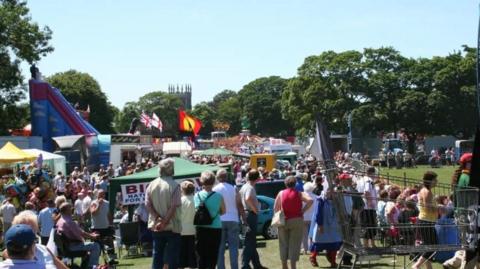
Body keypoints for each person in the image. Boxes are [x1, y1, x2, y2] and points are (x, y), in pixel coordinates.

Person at [145, 158, 182, 269]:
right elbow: (174, 206)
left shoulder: (151, 185)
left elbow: (148, 204)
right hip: (172, 226)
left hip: (157, 226)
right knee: (173, 258)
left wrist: (158, 219)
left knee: (157, 256)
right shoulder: (175, 185)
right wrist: (164, 221)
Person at [274, 176, 313, 269]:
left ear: (285, 183)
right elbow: (310, 201)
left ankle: (284, 266)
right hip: (296, 219)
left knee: (283, 243)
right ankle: (293, 267)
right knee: (294, 244)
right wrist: (303, 211)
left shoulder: (281, 193)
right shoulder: (299, 193)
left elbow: (275, 208)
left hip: (283, 220)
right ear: (295, 184)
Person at [213, 169, 246, 269]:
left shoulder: (215, 189)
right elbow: (240, 205)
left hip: (220, 220)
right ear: (226, 177)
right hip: (233, 219)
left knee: (220, 248)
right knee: (233, 247)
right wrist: (244, 218)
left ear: (217, 178)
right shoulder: (234, 188)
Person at [194, 170, 225, 269]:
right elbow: (224, 211)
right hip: (215, 228)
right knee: (213, 255)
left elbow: (195, 211)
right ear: (213, 181)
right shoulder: (219, 196)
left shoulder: (197, 196)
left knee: (201, 255)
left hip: (200, 228)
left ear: (202, 181)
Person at [56, 202, 101, 269]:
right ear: (66, 210)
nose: (72, 209)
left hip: (67, 247)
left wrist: (90, 234)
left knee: (89, 248)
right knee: (96, 245)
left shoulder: (59, 221)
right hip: (73, 246)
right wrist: (92, 236)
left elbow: (79, 232)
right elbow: (81, 233)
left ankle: (86, 265)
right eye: (70, 208)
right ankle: (92, 266)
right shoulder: (68, 221)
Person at [239, 169, 268, 269]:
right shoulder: (250, 187)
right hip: (250, 214)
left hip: (246, 214)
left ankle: (257, 264)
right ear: (257, 178)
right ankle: (245, 265)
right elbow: (247, 198)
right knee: (249, 241)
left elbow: (239, 199)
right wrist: (255, 209)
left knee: (251, 241)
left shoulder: (244, 186)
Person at [412, 171, 438, 269]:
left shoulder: (425, 190)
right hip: (426, 221)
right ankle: (416, 266)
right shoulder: (427, 192)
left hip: (426, 221)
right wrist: (439, 208)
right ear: (430, 181)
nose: (437, 182)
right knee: (433, 246)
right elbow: (428, 208)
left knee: (429, 245)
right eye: (435, 180)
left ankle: (428, 268)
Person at [90, 190, 117, 265]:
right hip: (96, 228)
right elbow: (93, 213)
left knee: (110, 245)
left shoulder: (107, 203)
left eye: (103, 195)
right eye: (100, 195)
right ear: (97, 195)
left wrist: (111, 225)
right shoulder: (93, 203)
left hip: (106, 227)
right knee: (97, 246)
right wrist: (99, 204)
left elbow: (109, 215)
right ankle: (95, 262)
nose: (101, 196)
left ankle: (112, 260)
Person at [356, 166, 378, 248]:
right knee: (370, 225)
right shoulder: (369, 180)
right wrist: (370, 203)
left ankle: (370, 244)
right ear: (372, 173)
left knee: (366, 225)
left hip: (363, 206)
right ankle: (367, 245)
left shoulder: (360, 180)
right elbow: (367, 191)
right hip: (368, 207)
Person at [179, 181, 197, 269]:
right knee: (192, 254)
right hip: (194, 230)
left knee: (181, 254)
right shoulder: (196, 199)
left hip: (181, 230)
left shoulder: (180, 201)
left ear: (182, 190)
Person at [301, 182, 317, 255]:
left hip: (303, 217)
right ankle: (312, 248)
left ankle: (305, 249)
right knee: (313, 234)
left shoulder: (301, 196)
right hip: (313, 217)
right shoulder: (316, 197)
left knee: (304, 234)